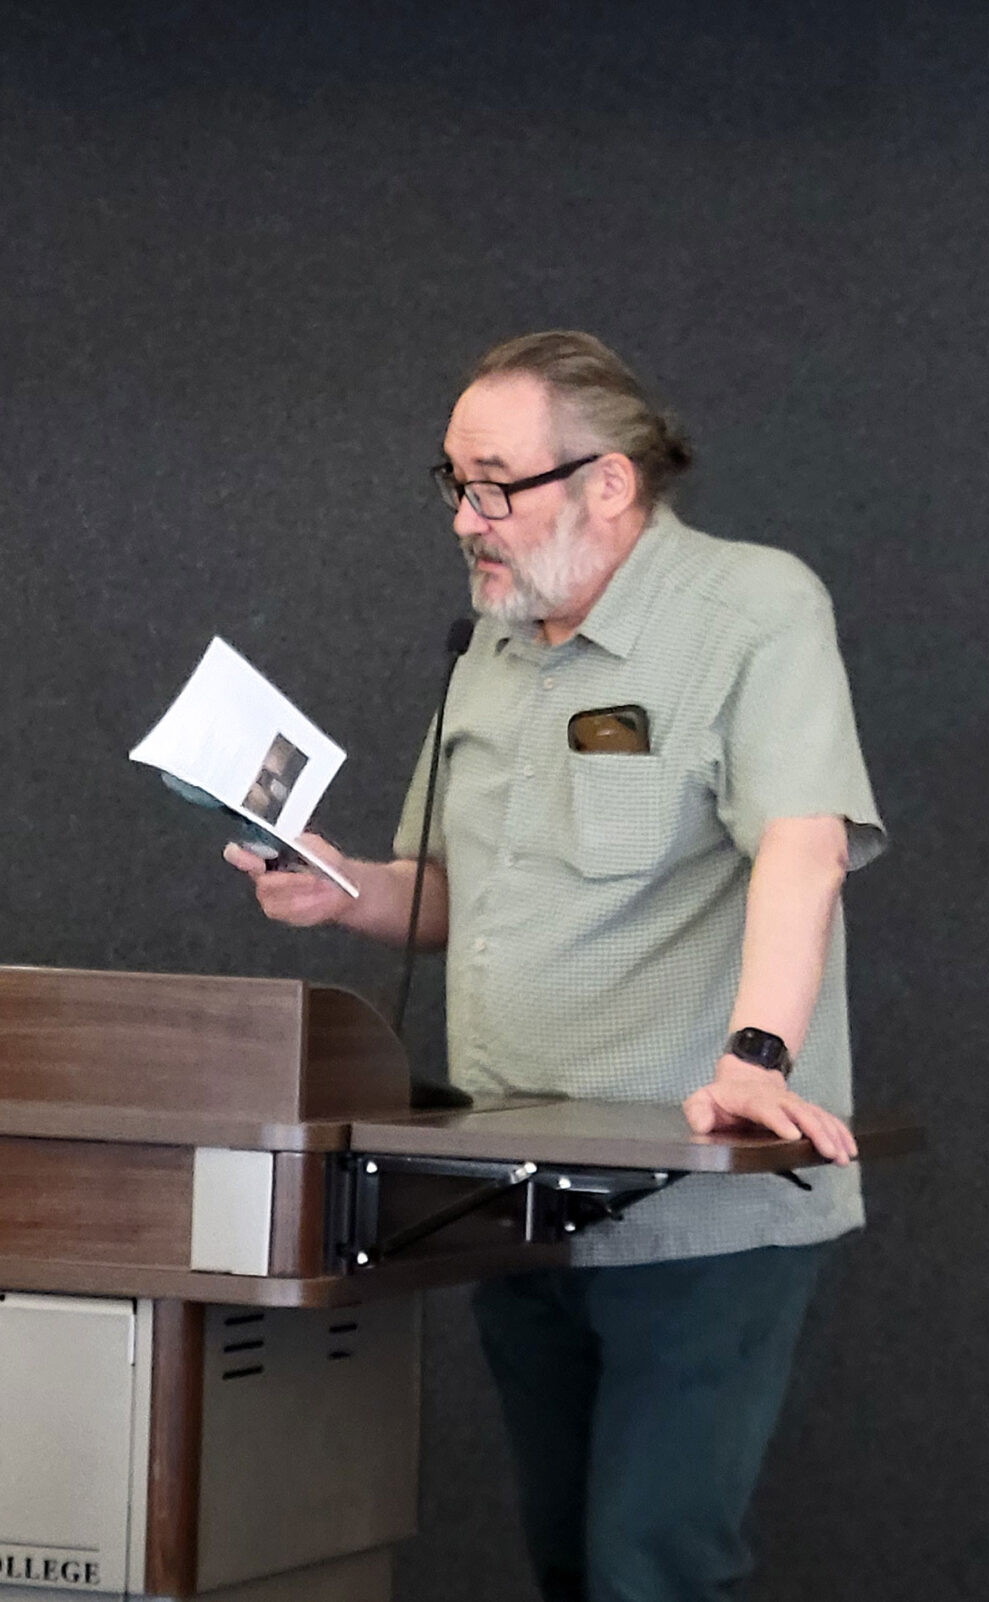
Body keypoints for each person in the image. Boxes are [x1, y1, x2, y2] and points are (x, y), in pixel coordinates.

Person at [226, 331, 886, 1602]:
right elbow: (455, 896)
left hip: (698, 1206)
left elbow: (804, 850)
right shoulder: (494, 643)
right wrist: (343, 889)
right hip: (513, 1193)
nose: (468, 520)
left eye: (494, 485)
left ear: (609, 483)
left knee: (653, 1565)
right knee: (570, 1563)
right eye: (453, 486)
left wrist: (757, 1061)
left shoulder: (753, 612)